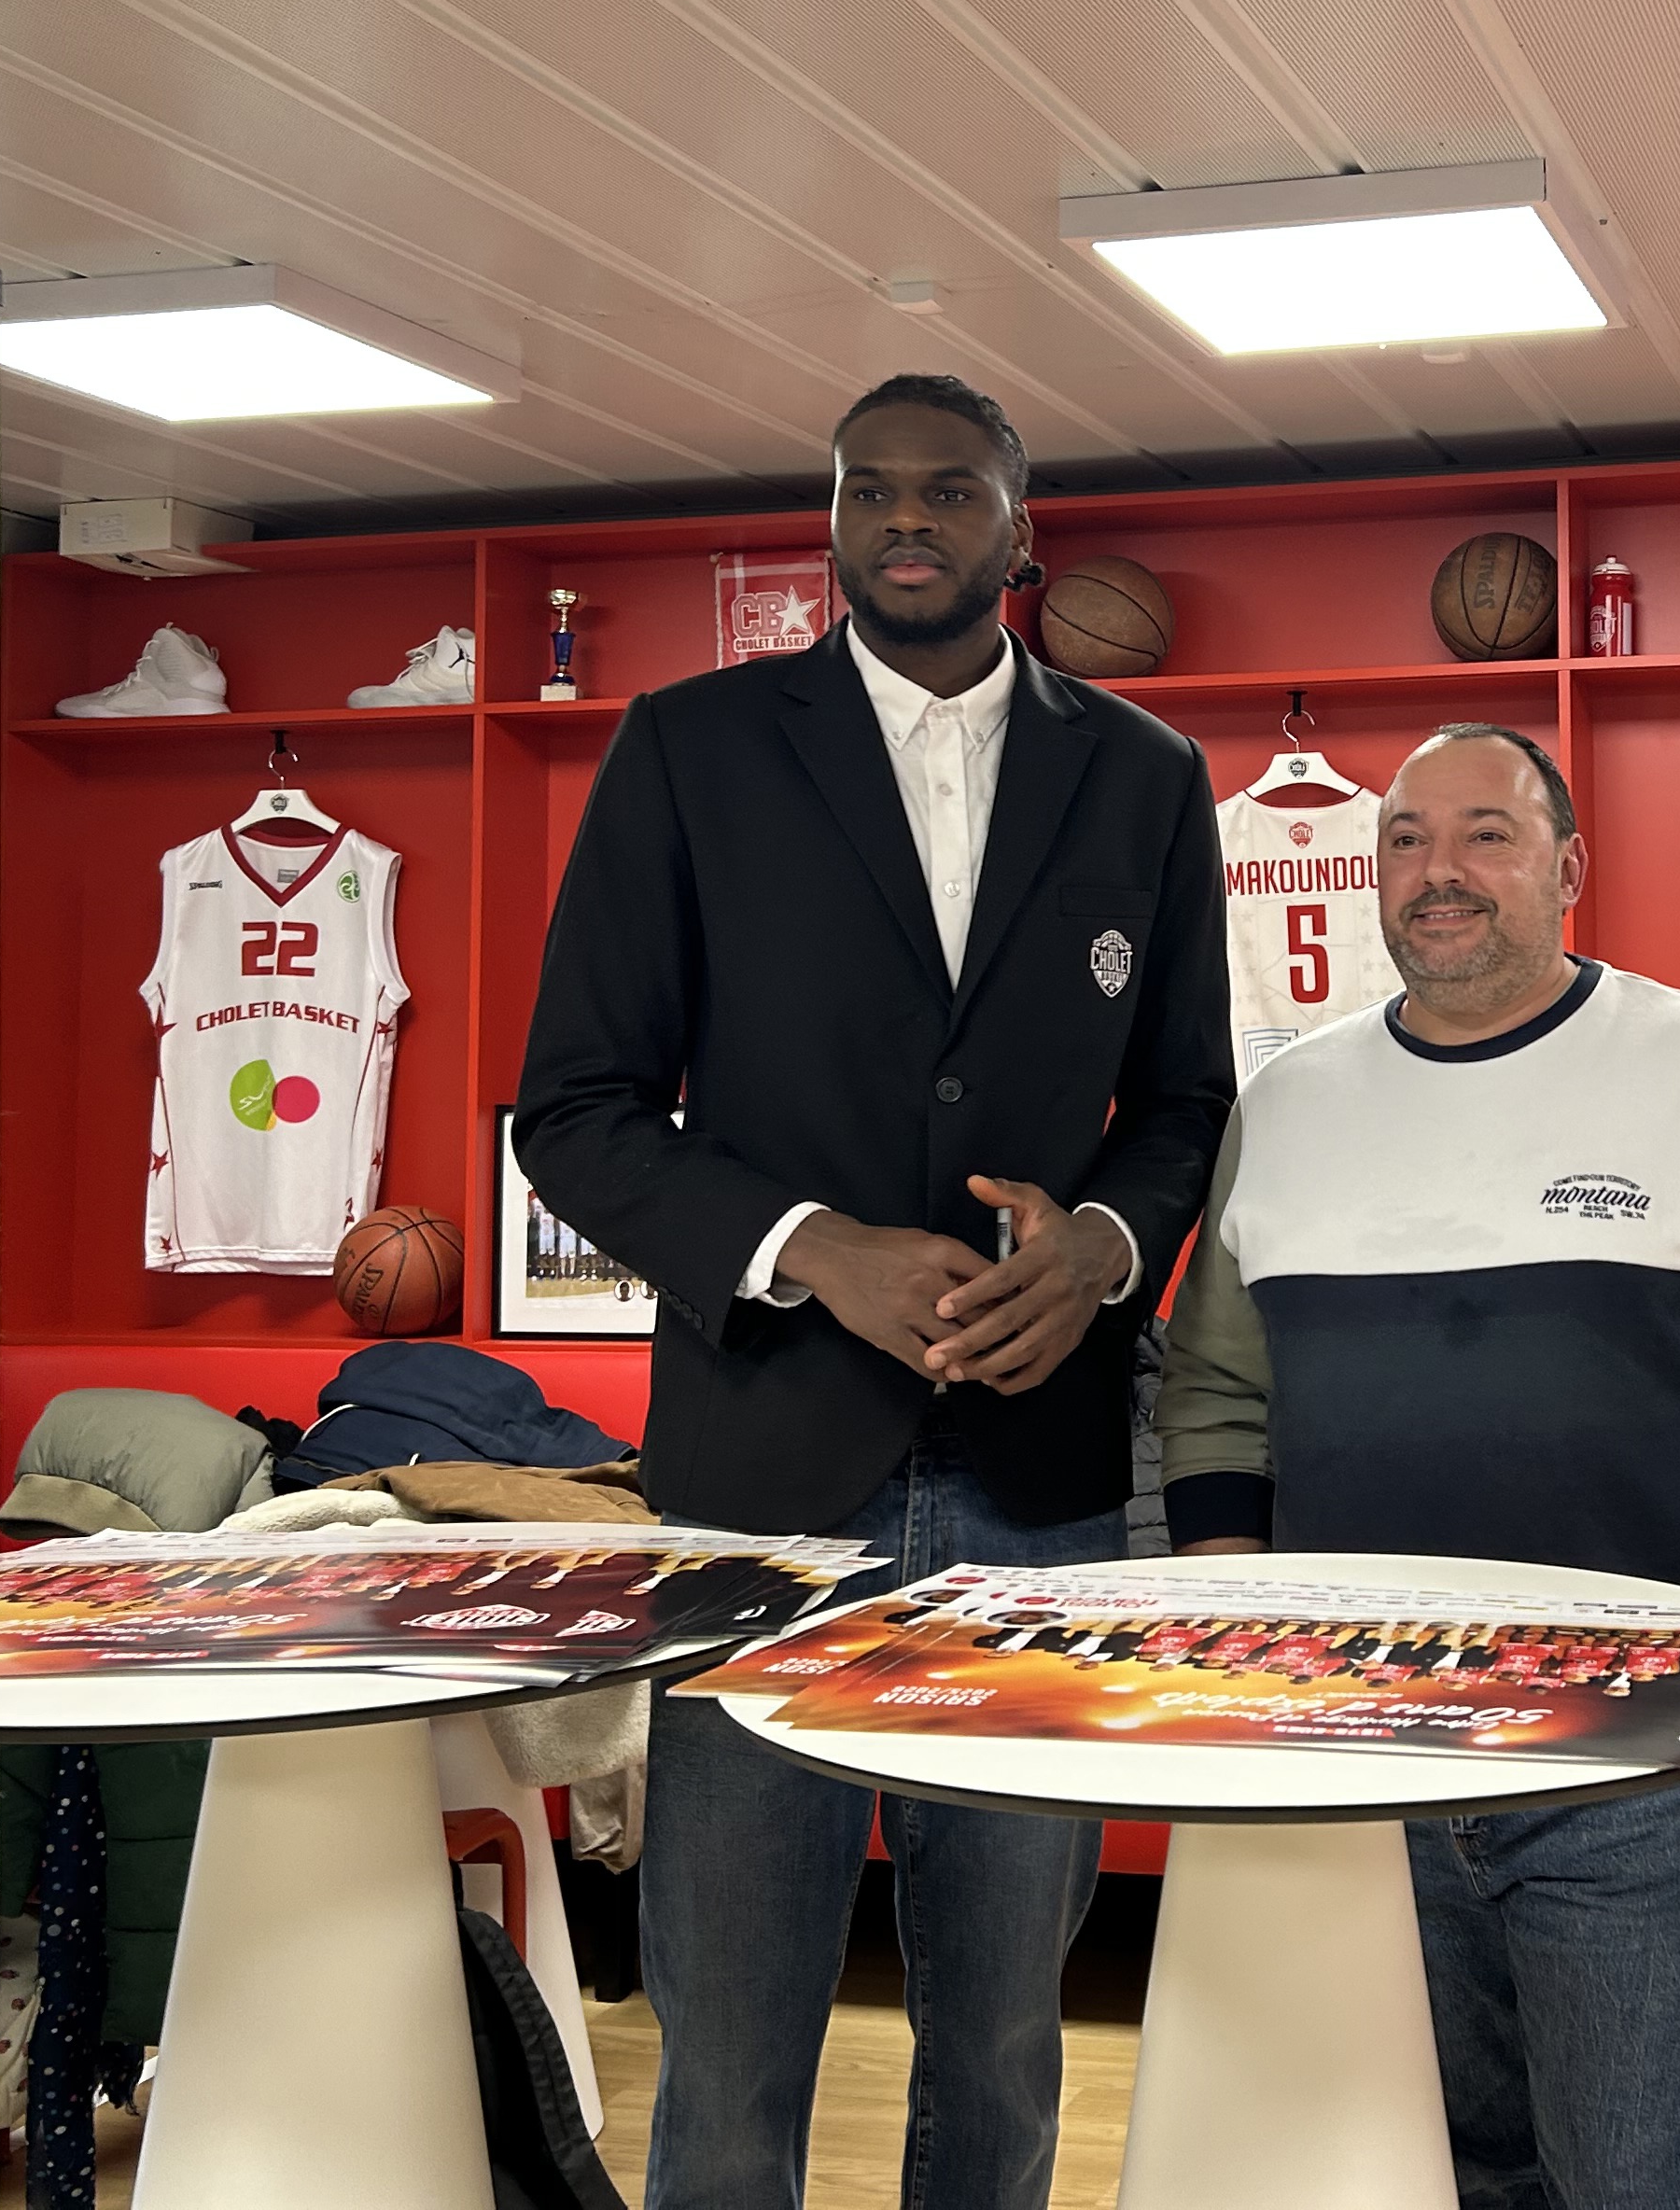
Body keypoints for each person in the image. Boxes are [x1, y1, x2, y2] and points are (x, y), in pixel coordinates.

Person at [513, 372, 1234, 2210]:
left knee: (998, 2043)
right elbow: (575, 1110)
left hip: (1041, 1488)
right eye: (871, 490)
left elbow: (1186, 1103)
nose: (908, 519)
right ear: (832, 518)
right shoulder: (689, 748)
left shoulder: (1144, 774)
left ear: (1019, 525)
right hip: (764, 1477)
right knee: (732, 2044)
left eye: (951, 490)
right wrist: (807, 1247)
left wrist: (1102, 1249)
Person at [1160, 721, 1680, 2210]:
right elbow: (1214, 1397)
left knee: (1630, 2177)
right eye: (1405, 840)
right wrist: (1241, 1680)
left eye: (1485, 835)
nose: (1437, 872)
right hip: (1362, 1755)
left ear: (1570, 869)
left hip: (1641, 1756)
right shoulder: (1285, 1101)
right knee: (1446, 2170)